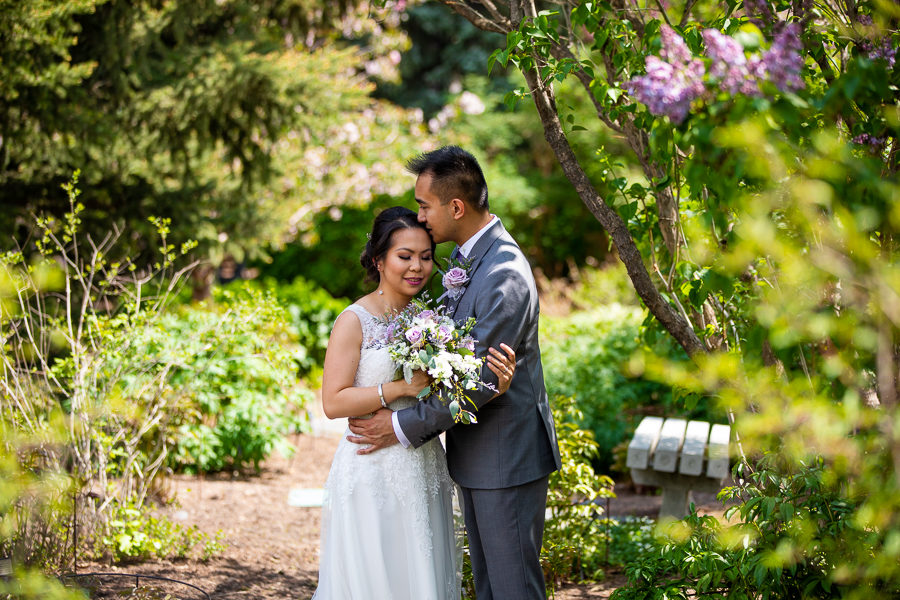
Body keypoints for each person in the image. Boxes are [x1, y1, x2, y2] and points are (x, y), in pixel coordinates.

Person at [348, 146, 562, 600]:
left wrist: (401, 425)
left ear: (456, 207)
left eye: (425, 206)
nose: (421, 217)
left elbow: (480, 381)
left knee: (512, 590)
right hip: (480, 454)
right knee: (490, 589)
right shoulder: (469, 262)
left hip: (505, 457)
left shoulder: (503, 271)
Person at [312, 206, 517, 600]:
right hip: (370, 466)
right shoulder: (353, 320)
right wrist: (399, 390)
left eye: (425, 257)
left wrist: (494, 387)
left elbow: (445, 392)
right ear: (379, 259)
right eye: (404, 256)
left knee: (421, 573)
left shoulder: (430, 318)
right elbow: (333, 402)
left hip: (422, 462)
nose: (417, 267)